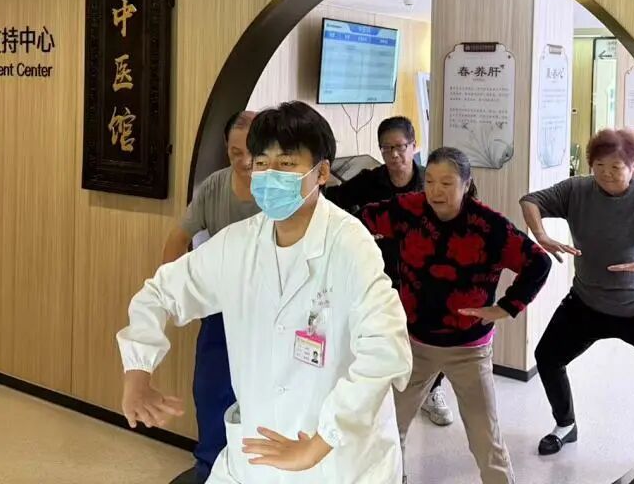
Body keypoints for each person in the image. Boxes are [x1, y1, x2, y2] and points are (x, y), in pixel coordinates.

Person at [118, 101, 413, 484]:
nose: (271, 175)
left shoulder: (349, 244)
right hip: (257, 448)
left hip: (337, 459)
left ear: (322, 172)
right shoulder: (239, 244)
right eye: (262, 162)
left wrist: (321, 441)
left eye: (287, 163)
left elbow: (386, 350)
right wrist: (137, 372)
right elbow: (160, 293)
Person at [361, 147, 552, 484]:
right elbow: (359, 220)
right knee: (387, 428)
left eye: (447, 183)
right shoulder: (408, 209)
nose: (436, 191)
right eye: (430, 181)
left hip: (468, 350)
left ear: (466, 184)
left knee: (485, 439)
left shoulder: (488, 226)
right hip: (414, 344)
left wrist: (506, 307)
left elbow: (538, 262)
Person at [520, 128, 634, 456]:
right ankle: (565, 424)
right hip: (587, 303)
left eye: (616, 167)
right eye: (599, 165)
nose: (606, 173)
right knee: (547, 357)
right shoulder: (577, 189)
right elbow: (531, 200)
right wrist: (541, 235)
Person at [326, 116, 454, 428]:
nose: (394, 155)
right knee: (378, 335)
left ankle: (432, 391)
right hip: (379, 273)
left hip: (425, 275)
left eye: (400, 147)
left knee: (428, 337)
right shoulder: (369, 182)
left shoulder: (429, 182)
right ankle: (379, 395)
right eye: (386, 149)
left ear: (414, 146)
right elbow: (333, 203)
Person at [160, 111, 261, 484]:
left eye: (252, 152)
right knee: (211, 388)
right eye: (236, 152)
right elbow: (179, 236)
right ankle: (209, 466)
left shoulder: (277, 188)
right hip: (221, 309)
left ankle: (250, 470)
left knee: (258, 392)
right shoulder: (215, 187)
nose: (245, 161)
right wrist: (171, 286)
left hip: (268, 312)